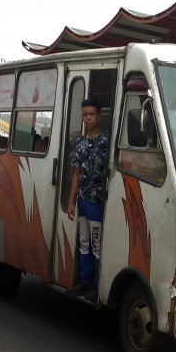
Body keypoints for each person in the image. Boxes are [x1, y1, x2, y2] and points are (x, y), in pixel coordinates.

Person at [66, 98, 109, 302]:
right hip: (83, 200)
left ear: (98, 116)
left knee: (96, 244)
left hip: (97, 201)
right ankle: (84, 282)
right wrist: (71, 201)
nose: (88, 118)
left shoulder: (106, 142)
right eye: (85, 114)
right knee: (84, 243)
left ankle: (96, 285)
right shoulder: (80, 143)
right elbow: (76, 173)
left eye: (91, 114)